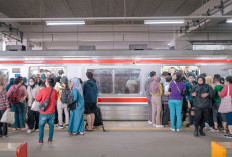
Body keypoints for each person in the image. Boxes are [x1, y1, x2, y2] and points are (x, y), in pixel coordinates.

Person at [35, 77, 57, 144]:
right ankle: (50, 139)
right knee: (51, 126)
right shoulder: (55, 91)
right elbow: (55, 99)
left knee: (41, 126)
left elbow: (37, 99)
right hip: (52, 111)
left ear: (47, 83)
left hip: (43, 112)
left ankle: (41, 140)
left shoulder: (42, 90)